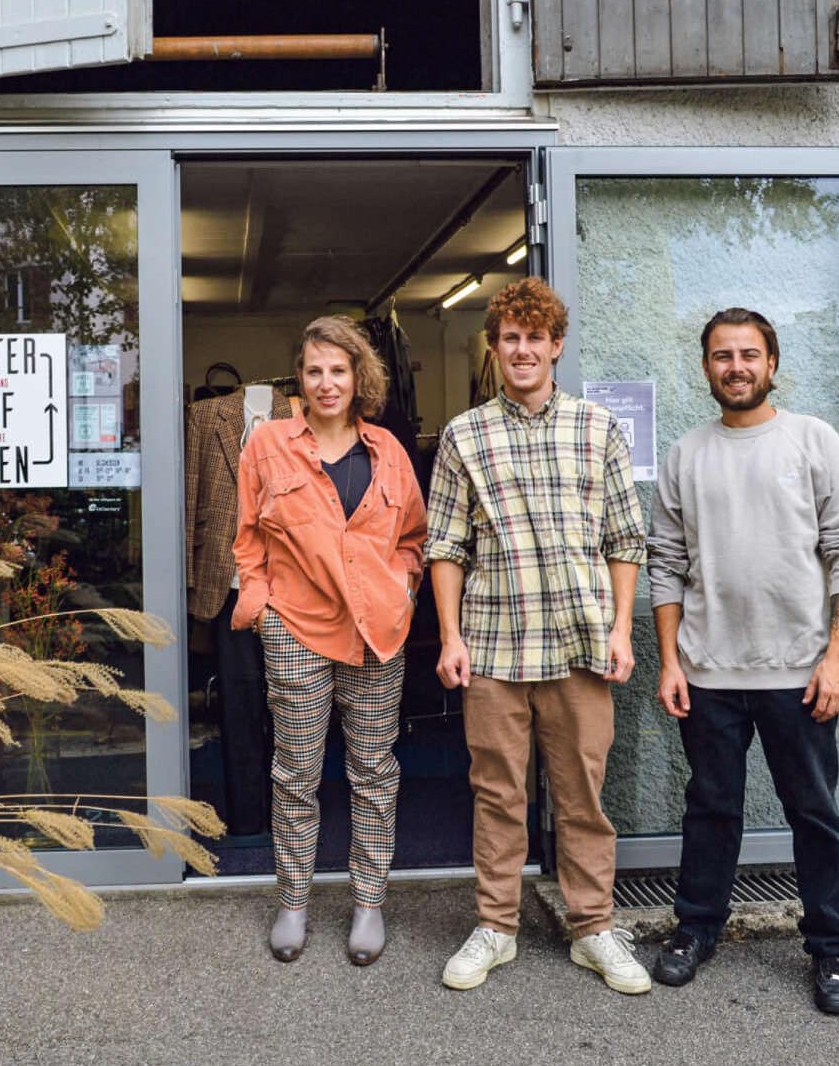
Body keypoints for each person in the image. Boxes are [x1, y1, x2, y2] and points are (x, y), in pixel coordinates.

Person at [648, 307, 839, 1015]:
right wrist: (669, 662)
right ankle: (696, 928)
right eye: (722, 355)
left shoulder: (812, 440)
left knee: (814, 812)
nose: (736, 367)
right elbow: (665, 563)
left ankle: (832, 947)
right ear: (705, 367)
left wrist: (837, 659)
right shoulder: (686, 454)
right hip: (707, 671)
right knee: (710, 808)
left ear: (771, 363)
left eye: (748, 354)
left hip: (799, 672)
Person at [425, 276, 651, 995]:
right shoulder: (464, 435)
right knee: (496, 795)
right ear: (493, 348)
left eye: (535, 338)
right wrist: (450, 637)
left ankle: (593, 929)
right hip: (493, 647)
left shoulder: (597, 428)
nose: (522, 350)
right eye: (509, 338)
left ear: (556, 346)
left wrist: (622, 629)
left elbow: (625, 539)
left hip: (581, 646)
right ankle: (496, 926)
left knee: (582, 797)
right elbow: (444, 547)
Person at [232, 315, 426, 965]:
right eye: (314, 370)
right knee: (295, 772)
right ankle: (293, 901)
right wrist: (263, 608)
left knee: (373, 770)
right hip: (296, 628)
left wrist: (403, 591)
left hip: (376, 633)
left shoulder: (389, 451)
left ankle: (369, 902)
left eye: (338, 370)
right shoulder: (268, 445)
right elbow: (246, 538)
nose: (326, 382)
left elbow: (413, 539)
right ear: (300, 377)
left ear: (357, 376)